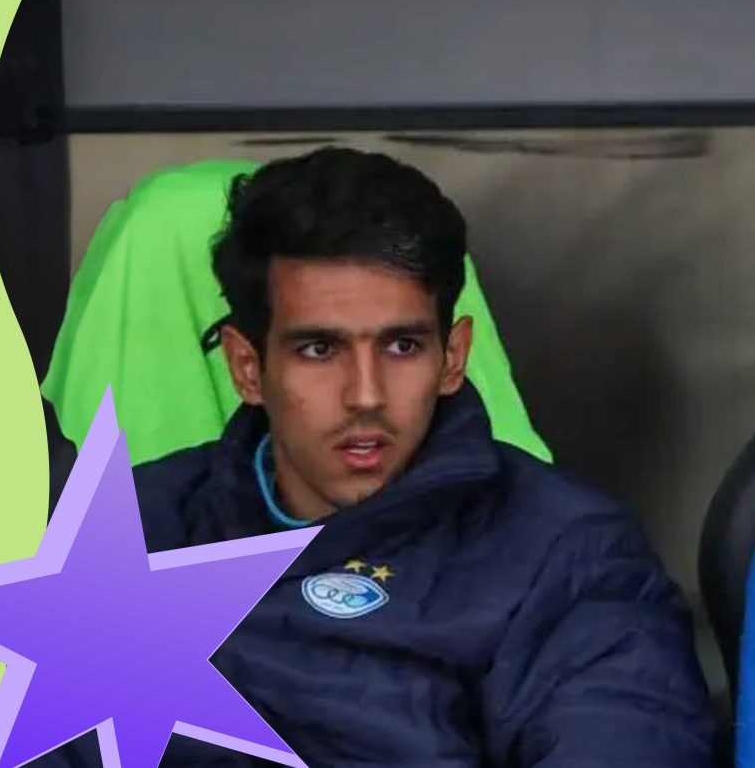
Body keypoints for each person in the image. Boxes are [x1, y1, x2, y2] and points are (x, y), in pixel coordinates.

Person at [37, 148, 713, 766]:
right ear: (247, 367)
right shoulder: (133, 530)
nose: (365, 395)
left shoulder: (567, 553)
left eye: (401, 347)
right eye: (319, 349)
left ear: (453, 357)